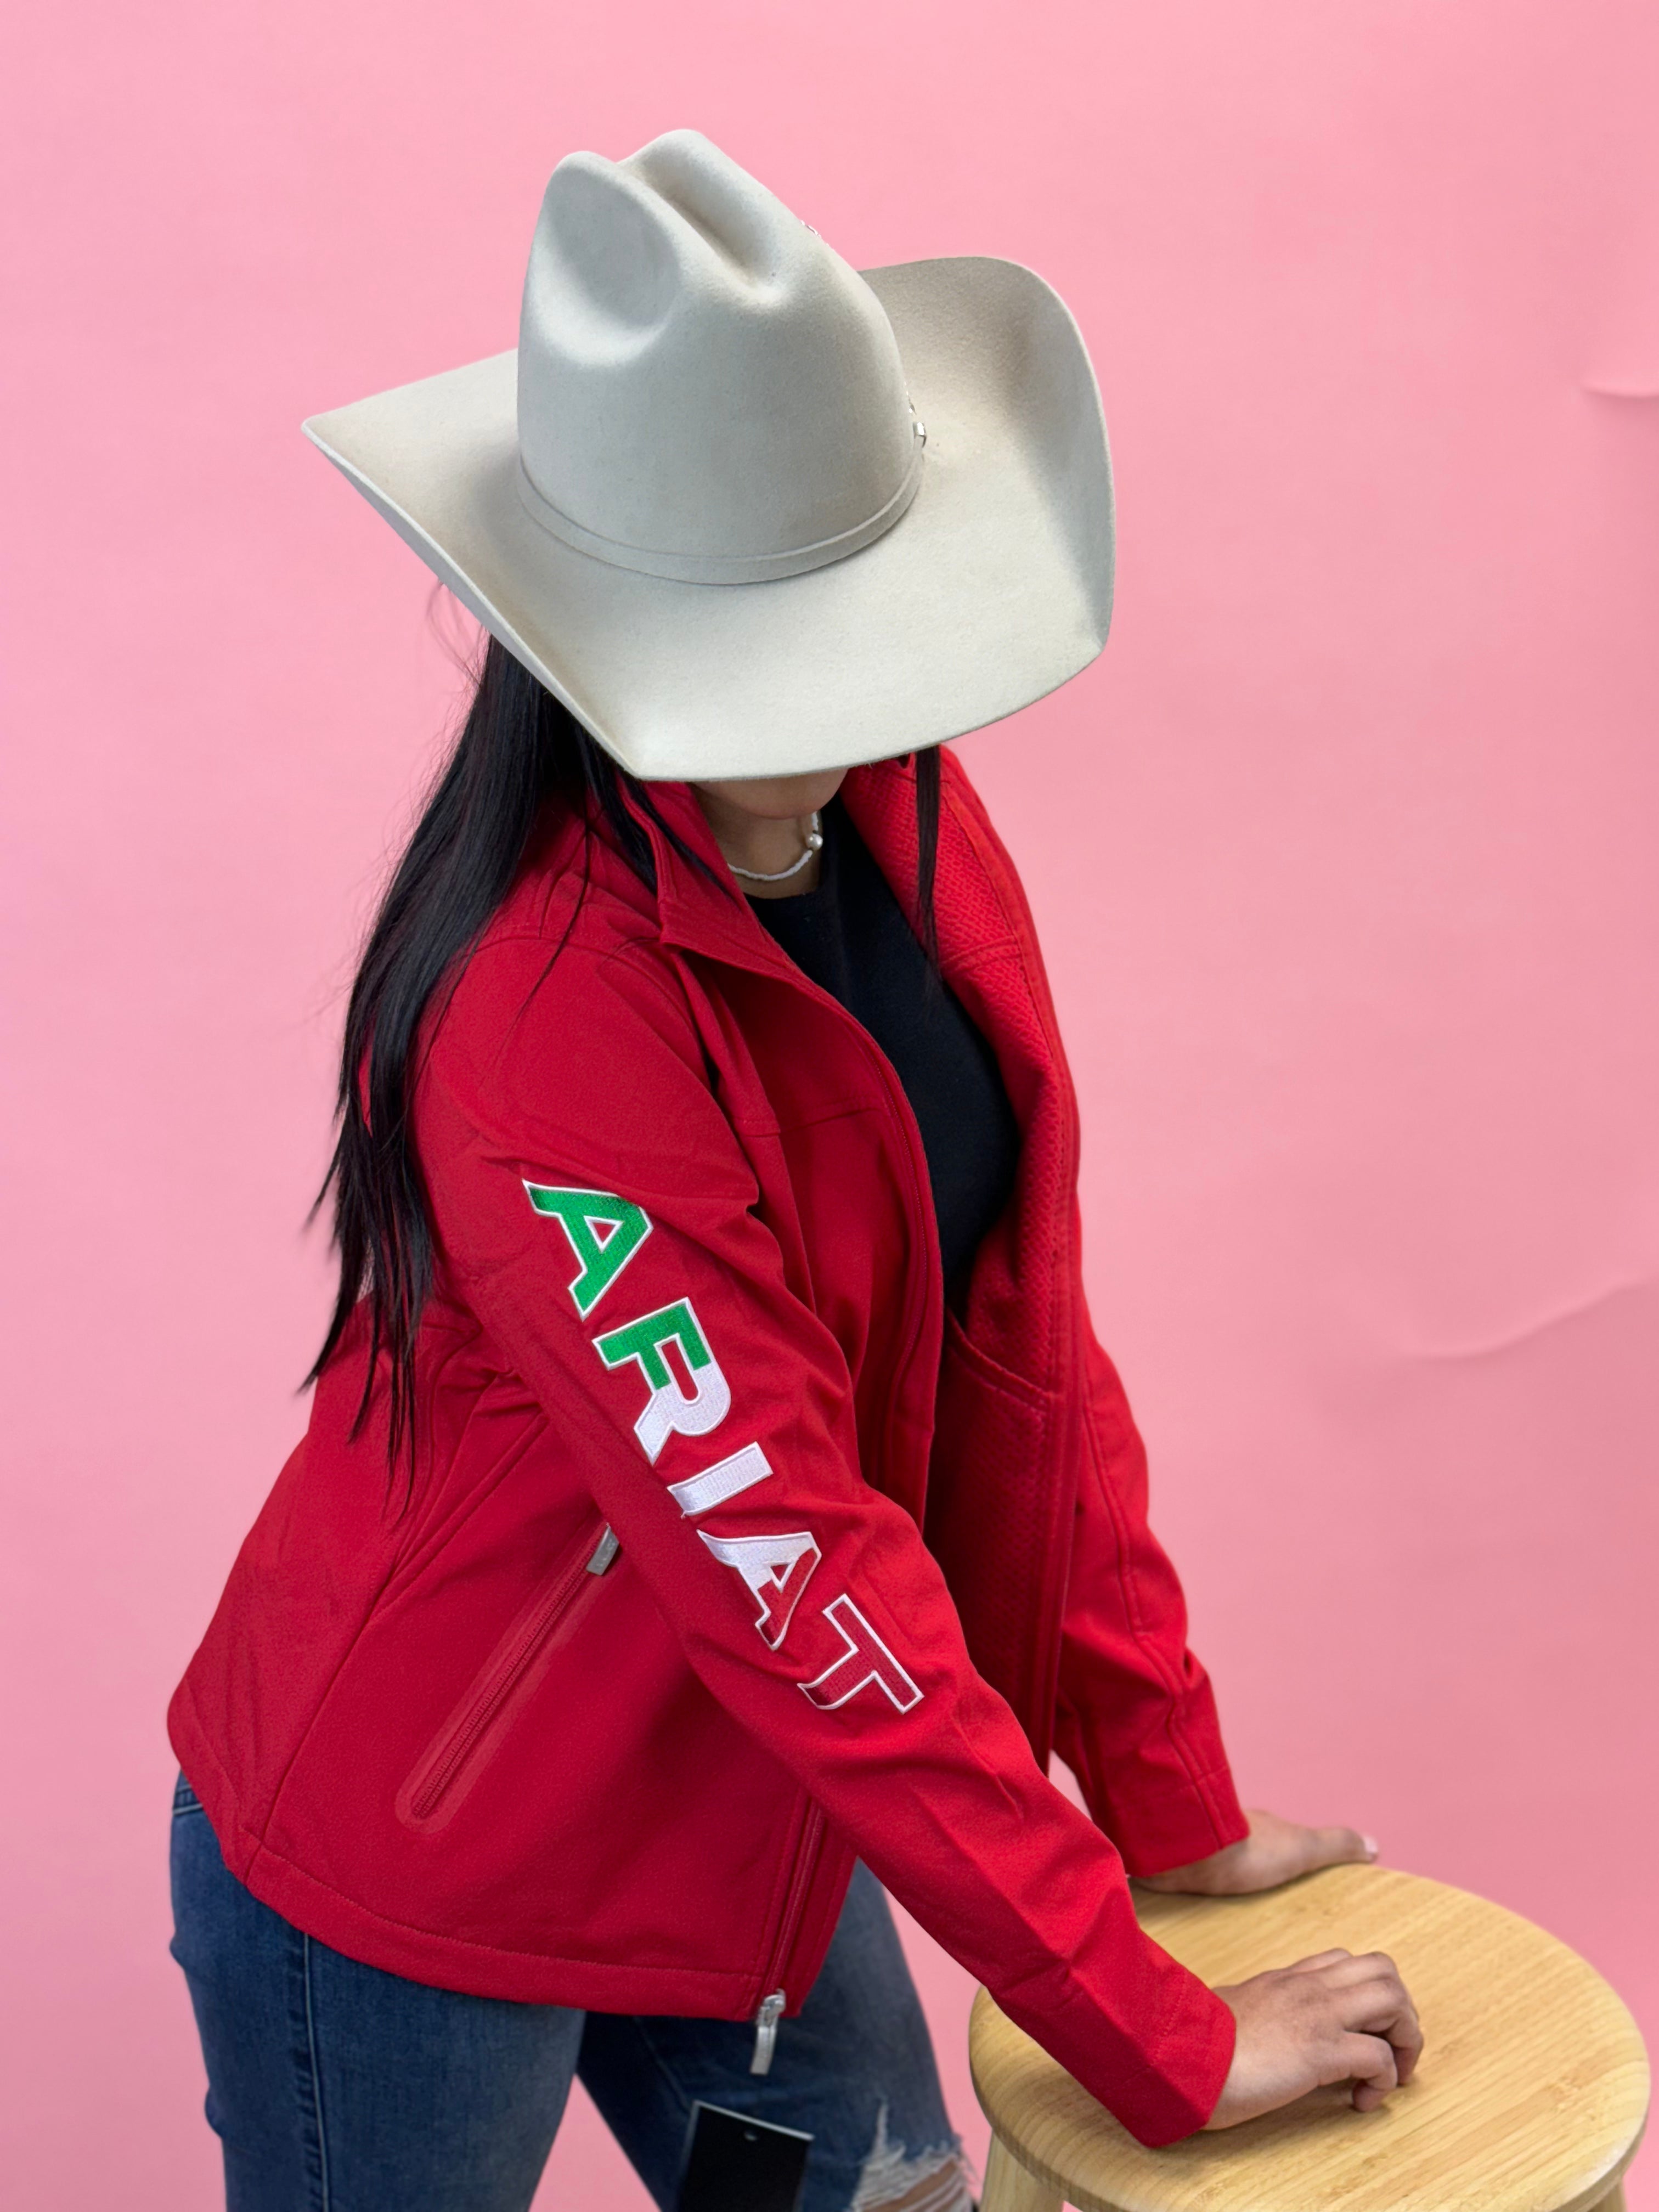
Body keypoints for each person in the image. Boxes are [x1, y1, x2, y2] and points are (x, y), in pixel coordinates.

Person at [167, 129, 1422, 2212]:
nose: (844, 679)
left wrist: (1164, 1794)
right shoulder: (541, 1012)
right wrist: (1159, 2026)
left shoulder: (909, 807)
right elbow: (788, 1545)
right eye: (775, 615)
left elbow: (1021, 1344)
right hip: (415, 1869)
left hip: (754, 1796)